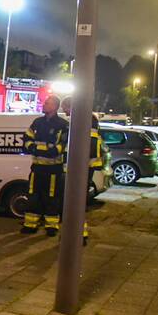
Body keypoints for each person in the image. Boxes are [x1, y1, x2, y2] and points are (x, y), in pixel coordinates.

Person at [22, 95, 69, 236]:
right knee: (33, 196)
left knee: (52, 197)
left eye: (47, 103)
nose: (44, 105)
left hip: (53, 170)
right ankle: (30, 224)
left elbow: (60, 147)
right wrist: (35, 148)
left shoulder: (63, 125)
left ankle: (52, 226)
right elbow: (26, 138)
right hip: (36, 168)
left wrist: (37, 149)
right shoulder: (37, 122)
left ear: (54, 106)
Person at [61, 97, 105, 244]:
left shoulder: (86, 118)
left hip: (82, 167)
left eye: (65, 108)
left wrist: (78, 163)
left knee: (77, 201)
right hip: (80, 166)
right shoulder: (85, 117)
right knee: (75, 201)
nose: (64, 112)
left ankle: (78, 235)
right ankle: (74, 233)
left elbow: (89, 143)